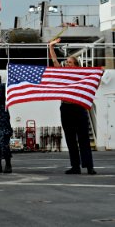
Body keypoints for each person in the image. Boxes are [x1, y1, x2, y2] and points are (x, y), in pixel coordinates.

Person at [49, 38, 97, 175]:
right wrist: (51, 47)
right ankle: (75, 166)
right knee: (70, 139)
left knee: (83, 139)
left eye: (70, 62)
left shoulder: (81, 75)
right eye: (67, 62)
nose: (67, 64)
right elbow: (55, 62)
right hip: (66, 108)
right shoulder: (63, 74)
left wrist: (100, 74)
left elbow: (93, 83)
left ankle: (89, 166)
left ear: (76, 65)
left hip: (78, 108)